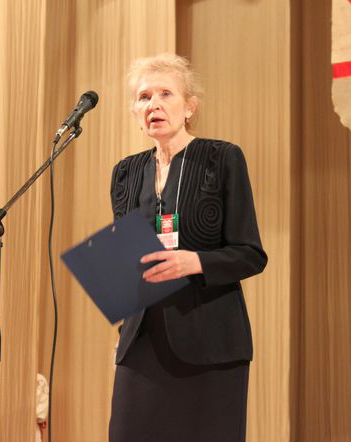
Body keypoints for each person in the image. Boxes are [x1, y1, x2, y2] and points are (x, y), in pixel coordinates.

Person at [108, 53, 267, 442]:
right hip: (141, 343)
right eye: (144, 97)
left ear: (190, 106)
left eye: (166, 94)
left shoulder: (222, 159)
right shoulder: (125, 172)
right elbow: (127, 261)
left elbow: (250, 254)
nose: (154, 105)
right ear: (135, 112)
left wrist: (194, 262)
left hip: (211, 344)